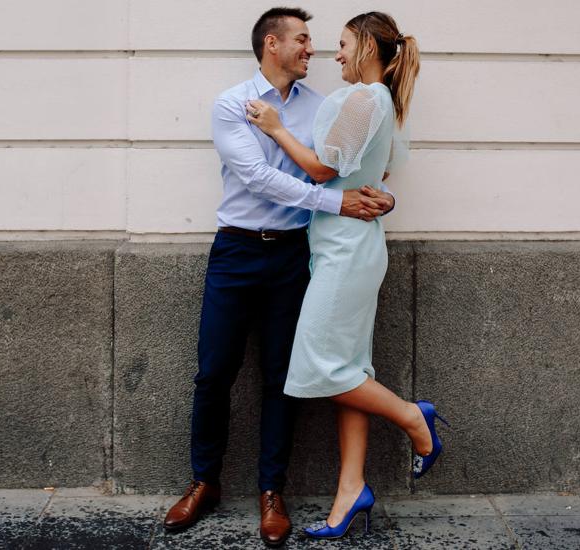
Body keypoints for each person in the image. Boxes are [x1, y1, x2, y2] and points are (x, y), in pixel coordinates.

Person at [162, 7, 395, 548]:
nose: (312, 49)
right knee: (213, 372)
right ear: (273, 43)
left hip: (294, 255)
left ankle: (272, 492)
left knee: (279, 379)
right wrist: (334, 201)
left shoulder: (322, 105)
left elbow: (354, 164)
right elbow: (259, 177)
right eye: (303, 39)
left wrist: (381, 197)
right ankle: (204, 484)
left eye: (315, 40)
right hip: (236, 251)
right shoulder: (232, 104)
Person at [246, 11, 449, 540]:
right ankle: (350, 489)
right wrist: (384, 197)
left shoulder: (366, 98)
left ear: (365, 47)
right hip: (342, 246)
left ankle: (412, 418)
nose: (334, 54)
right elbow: (378, 174)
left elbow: (321, 170)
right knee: (348, 367)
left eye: (342, 44)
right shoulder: (375, 101)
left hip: (346, 253)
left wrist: (274, 128)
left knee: (318, 363)